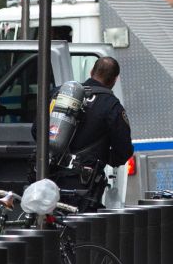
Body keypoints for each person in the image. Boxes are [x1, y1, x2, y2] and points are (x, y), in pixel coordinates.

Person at [52, 56, 134, 207]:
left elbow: (36, 130)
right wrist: (103, 156)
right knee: (82, 228)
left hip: (49, 177)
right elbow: (123, 151)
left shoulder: (60, 94)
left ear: (91, 72)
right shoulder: (112, 106)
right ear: (114, 80)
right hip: (83, 184)